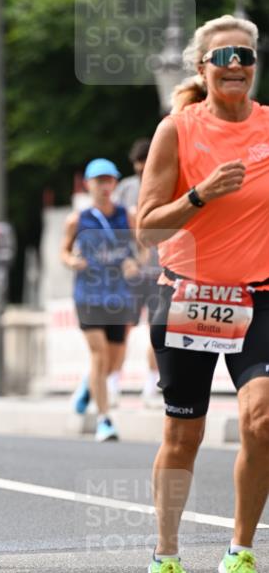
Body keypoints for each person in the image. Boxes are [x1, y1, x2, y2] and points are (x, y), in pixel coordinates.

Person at [137, 14, 268, 573]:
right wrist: (200, 194)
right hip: (189, 295)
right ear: (202, 68)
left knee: (263, 420)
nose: (236, 63)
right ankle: (166, 560)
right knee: (183, 434)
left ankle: (240, 552)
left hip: (258, 296)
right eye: (224, 56)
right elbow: (145, 226)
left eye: (245, 54)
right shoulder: (178, 130)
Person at [61, 158, 138, 442]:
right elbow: (63, 252)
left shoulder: (126, 216)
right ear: (88, 184)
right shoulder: (77, 219)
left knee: (115, 361)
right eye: (99, 181)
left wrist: (134, 262)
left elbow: (141, 250)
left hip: (118, 295)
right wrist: (72, 261)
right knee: (99, 355)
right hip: (89, 295)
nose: (105, 186)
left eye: (110, 180)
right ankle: (105, 419)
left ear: (115, 183)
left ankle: (86, 387)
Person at [113, 137, 162, 406]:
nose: (142, 170)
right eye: (138, 165)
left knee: (157, 329)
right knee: (121, 328)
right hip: (132, 272)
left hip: (158, 270)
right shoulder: (126, 189)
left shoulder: (167, 182)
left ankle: (151, 384)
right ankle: (112, 380)